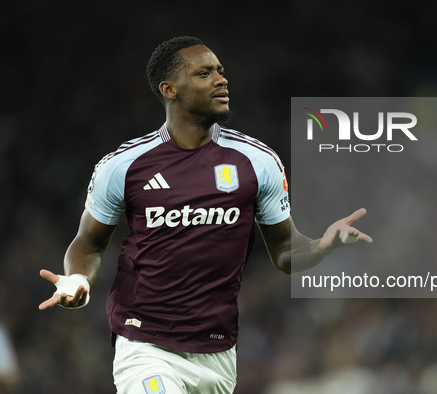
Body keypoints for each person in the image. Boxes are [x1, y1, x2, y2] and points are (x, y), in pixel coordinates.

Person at [38, 36, 371, 394]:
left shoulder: (258, 162)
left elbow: (286, 252)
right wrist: (78, 280)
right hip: (146, 344)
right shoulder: (122, 166)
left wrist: (322, 245)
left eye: (220, 71)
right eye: (203, 73)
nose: (221, 79)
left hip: (218, 352)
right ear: (169, 89)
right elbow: (88, 244)